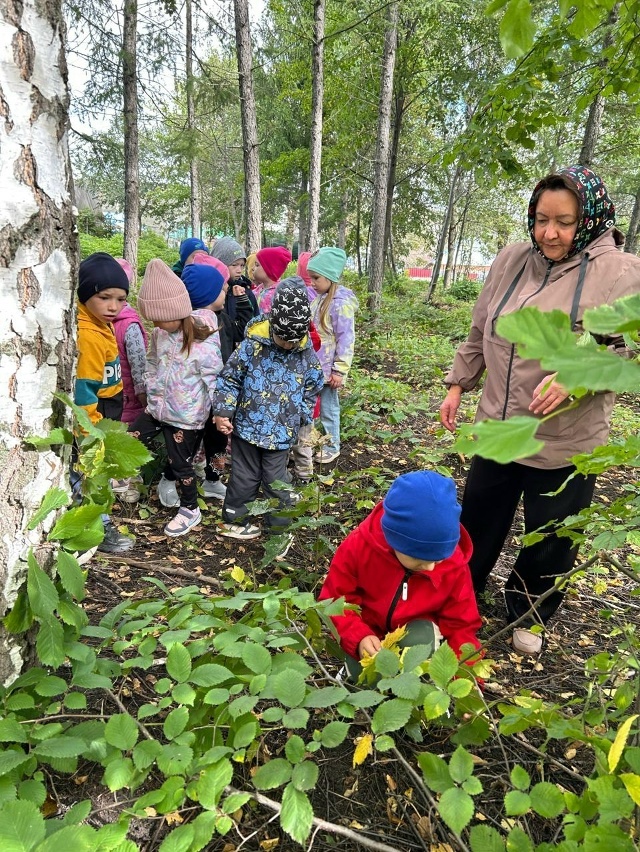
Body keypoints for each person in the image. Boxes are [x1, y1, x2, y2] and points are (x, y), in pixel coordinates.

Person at [439, 165, 640, 655]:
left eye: (564, 221)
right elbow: (479, 328)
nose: (549, 233)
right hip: (499, 425)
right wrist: (458, 384)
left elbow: (624, 347)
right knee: (479, 519)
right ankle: (462, 595)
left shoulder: (621, 272)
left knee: (550, 533)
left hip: (565, 437)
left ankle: (530, 612)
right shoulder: (511, 260)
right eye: (540, 219)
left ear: (589, 219)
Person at [319, 470, 482, 677]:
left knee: (423, 635)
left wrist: (466, 678)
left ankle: (415, 677)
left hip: (417, 639)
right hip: (369, 637)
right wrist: (358, 637)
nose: (431, 568)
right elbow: (335, 600)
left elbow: (462, 625)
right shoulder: (361, 546)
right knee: (361, 681)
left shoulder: (453, 564)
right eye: (419, 560)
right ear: (392, 539)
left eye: (437, 559)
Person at [213, 280, 324, 540]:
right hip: (247, 428)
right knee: (244, 476)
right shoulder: (252, 345)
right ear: (273, 325)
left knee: (277, 481)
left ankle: (279, 528)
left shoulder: (305, 354)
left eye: (293, 341)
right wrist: (224, 411)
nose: (288, 345)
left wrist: (302, 416)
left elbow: (313, 386)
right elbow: (230, 379)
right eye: (283, 339)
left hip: (282, 432)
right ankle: (234, 520)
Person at [129, 260, 223, 538]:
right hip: (158, 407)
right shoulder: (160, 333)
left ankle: (190, 508)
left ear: (178, 311)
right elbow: (152, 361)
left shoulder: (202, 342)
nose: (155, 323)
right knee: (130, 436)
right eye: (151, 318)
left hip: (186, 415)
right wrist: (150, 385)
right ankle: (121, 479)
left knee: (182, 463)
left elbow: (214, 379)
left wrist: (220, 413)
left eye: (159, 317)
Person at [74, 252, 135, 553]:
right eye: (104, 297)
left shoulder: (100, 323)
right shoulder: (87, 335)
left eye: (121, 299)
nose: (113, 306)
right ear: (86, 294)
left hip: (106, 413)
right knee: (89, 477)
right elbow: (84, 389)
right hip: (92, 422)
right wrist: (90, 434)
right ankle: (98, 528)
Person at [307, 247, 358, 464]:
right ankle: (309, 442)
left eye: (316, 278)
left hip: (329, 369)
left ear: (330, 277)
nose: (312, 283)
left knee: (328, 408)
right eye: (311, 278)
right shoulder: (319, 299)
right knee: (308, 405)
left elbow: (346, 340)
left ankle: (332, 445)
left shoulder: (340, 304)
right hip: (314, 365)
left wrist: (339, 370)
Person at [210, 237, 259, 344]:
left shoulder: (245, 291)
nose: (239, 270)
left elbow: (255, 321)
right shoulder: (212, 292)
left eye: (242, 265)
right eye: (234, 265)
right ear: (220, 264)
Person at [252, 246, 293, 313]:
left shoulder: (279, 295)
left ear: (269, 270)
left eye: (257, 265)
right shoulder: (257, 290)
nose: (253, 268)